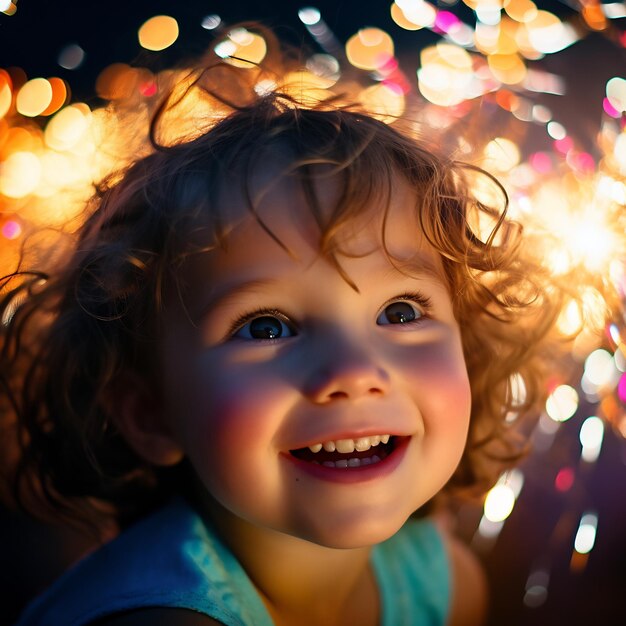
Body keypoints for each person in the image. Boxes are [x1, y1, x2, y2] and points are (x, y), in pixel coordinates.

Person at [1, 27, 561, 626]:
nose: (353, 372)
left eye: (400, 313)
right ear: (149, 412)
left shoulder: (445, 585)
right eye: (266, 328)